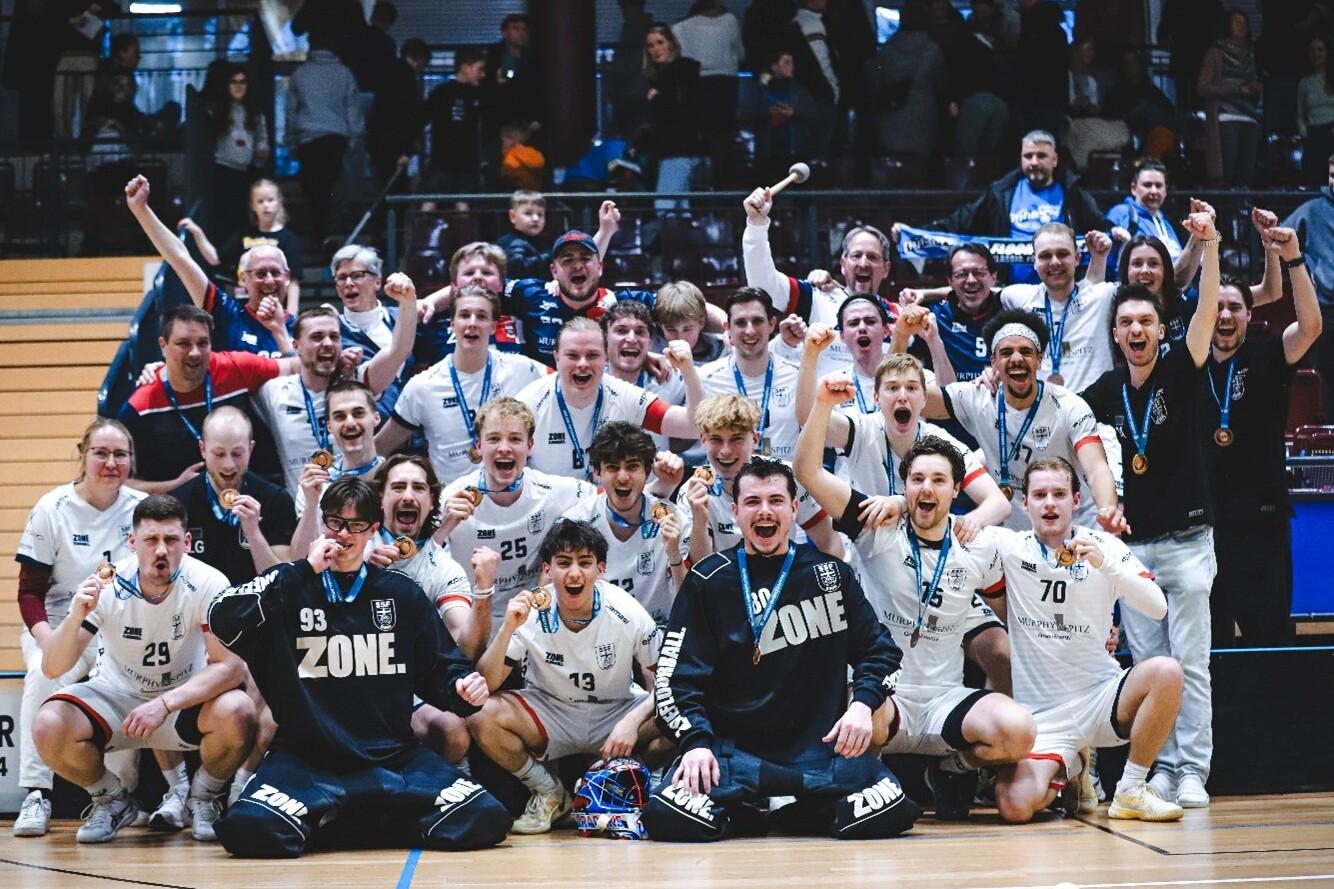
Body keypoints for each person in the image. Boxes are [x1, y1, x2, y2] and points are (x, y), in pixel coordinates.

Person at [207, 478, 512, 856]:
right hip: (307, 760)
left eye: (355, 525)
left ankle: (343, 821)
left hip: (394, 760)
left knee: (486, 817)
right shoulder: (292, 586)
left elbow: (442, 669)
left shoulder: (401, 593)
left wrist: (463, 691)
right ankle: (371, 820)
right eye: (335, 522)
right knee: (248, 829)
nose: (343, 534)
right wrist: (302, 569)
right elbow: (222, 618)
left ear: (372, 530)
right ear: (322, 524)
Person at [644, 460, 920, 841]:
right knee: (667, 815)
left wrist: (862, 704)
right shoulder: (708, 579)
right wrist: (695, 743)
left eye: (776, 500)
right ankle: (748, 815)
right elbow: (675, 680)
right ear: (736, 511)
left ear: (793, 509)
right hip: (732, 756)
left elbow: (882, 652)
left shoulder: (832, 575)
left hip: (820, 755)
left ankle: (798, 813)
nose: (765, 511)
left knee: (890, 810)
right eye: (753, 502)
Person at [793, 394, 1037, 821]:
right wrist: (823, 404)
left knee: (1019, 731)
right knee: (856, 722)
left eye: (939, 480)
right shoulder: (876, 527)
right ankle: (877, 785)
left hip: (945, 700)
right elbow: (807, 472)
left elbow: (1010, 608)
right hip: (885, 698)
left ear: (957, 489)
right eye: (917, 479)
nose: (927, 488)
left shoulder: (977, 547)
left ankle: (952, 770)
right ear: (903, 486)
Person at [1077, 208, 1221, 808]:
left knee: (1190, 662)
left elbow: (1208, 311)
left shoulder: (1181, 370)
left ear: (1162, 329)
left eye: (1146, 321)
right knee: (1148, 664)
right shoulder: (1105, 393)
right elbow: (1059, 414)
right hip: (1132, 550)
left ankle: (1193, 770)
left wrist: (1208, 246)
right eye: (1126, 322)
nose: (1136, 330)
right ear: (1115, 333)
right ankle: (1157, 768)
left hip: (1187, 543)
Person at [33, 494, 256, 844]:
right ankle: (111, 799)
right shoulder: (107, 584)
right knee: (48, 724)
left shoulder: (210, 583)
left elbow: (230, 668)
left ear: (187, 543)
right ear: (133, 543)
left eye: (170, 540)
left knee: (240, 711)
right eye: (151, 540)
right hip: (118, 701)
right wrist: (76, 613)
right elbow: (53, 667)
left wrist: (165, 703)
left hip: (181, 702)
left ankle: (203, 799)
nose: (161, 550)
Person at [989, 459, 1185, 823]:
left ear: (1076, 500)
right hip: (1042, 716)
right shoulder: (1008, 547)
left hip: (1100, 697)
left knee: (1168, 671)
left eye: (1059, 494)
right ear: (1024, 504)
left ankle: (1130, 789)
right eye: (1040, 495)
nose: (1050, 503)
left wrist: (1106, 566)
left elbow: (1158, 607)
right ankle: (1074, 767)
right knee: (1014, 806)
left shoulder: (1103, 544)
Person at [469, 519, 665, 834]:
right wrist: (507, 628)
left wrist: (631, 722)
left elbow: (667, 684)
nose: (574, 573)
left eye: (584, 563)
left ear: (600, 569)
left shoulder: (628, 611)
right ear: (548, 569)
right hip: (552, 712)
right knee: (480, 713)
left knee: (679, 712)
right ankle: (548, 791)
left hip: (614, 712)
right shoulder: (531, 612)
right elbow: (484, 685)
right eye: (563, 563)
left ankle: (641, 786)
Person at [13, 420, 145, 838]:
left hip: (118, 629)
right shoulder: (52, 508)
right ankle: (36, 794)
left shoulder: (143, 509)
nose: (110, 463)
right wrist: (47, 640)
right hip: (61, 626)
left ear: (131, 460)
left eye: (120, 454)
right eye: (101, 453)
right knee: (41, 674)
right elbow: (28, 592)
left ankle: (122, 796)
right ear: (83, 455)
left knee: (130, 685)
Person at [907, 306, 1124, 532]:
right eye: (1007, 352)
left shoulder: (1069, 406)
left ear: (1039, 360)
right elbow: (912, 399)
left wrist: (1108, 510)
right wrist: (904, 335)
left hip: (1075, 528)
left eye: (1026, 352)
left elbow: (1096, 467)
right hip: (1017, 537)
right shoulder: (979, 398)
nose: (1017, 358)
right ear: (994, 362)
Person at [1206, 229, 1320, 647]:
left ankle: (1274, 714)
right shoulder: (1188, 363)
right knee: (1209, 643)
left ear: (1249, 315)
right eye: (1216, 306)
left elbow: (1310, 327)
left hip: (1262, 520)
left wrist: (1292, 258)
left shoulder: (1269, 353)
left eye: (1235, 307)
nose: (1224, 315)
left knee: (1268, 637)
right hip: (1205, 525)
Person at [793, 342, 1009, 530]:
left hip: (926, 556)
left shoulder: (943, 444)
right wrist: (811, 356)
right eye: (893, 388)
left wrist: (970, 522)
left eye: (912, 388)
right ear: (876, 397)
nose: (903, 396)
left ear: (924, 399)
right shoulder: (860, 428)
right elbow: (807, 418)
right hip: (870, 551)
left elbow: (999, 503)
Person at [436, 397, 597, 618]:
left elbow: (610, 498)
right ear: (479, 445)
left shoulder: (552, 491)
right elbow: (419, 562)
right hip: (469, 618)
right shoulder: (451, 498)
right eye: (493, 439)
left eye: (514, 439)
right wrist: (443, 526)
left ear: (529, 445)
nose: (504, 448)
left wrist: (660, 482)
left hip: (530, 621)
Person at [378, 286, 547, 485]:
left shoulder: (524, 369)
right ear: (452, 324)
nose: (472, 323)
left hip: (512, 503)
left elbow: (570, 379)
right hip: (452, 506)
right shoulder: (423, 386)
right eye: (465, 315)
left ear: (494, 326)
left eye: (482, 316)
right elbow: (381, 446)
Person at [119, 304, 293, 494]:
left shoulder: (235, 368)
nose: (195, 353)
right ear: (163, 346)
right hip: (179, 512)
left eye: (203, 343)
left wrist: (280, 331)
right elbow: (120, 483)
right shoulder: (141, 407)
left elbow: (297, 366)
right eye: (184, 343)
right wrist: (174, 486)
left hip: (251, 500)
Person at [256, 295, 417, 498]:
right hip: (304, 513)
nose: (328, 343)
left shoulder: (355, 382)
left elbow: (398, 351)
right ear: (296, 346)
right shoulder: (273, 392)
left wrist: (408, 301)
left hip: (361, 509)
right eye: (317, 337)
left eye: (334, 337)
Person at [901, 131, 1107, 283]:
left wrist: (1113, 231)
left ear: (1054, 160)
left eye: (1041, 156)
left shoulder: (1073, 194)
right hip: (1010, 290)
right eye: (1028, 156)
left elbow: (1100, 227)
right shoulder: (1001, 193)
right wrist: (917, 234)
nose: (1034, 162)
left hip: (1061, 288)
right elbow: (962, 221)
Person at [127, 174, 295, 359]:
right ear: (243, 279)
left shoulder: (303, 329)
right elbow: (181, 260)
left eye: (275, 272)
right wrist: (141, 209)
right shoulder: (228, 316)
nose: (270, 280)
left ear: (287, 278)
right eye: (261, 274)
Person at [514, 319, 703, 480]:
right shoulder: (528, 404)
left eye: (592, 355)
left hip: (607, 515)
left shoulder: (624, 396)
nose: (582, 364)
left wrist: (688, 370)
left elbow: (693, 427)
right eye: (572, 355)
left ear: (605, 358)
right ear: (556, 358)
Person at [742, 185, 897, 378]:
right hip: (823, 407)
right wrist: (757, 226)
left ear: (886, 269)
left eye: (873, 257)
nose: (863, 263)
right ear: (842, 264)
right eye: (856, 256)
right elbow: (764, 285)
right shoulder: (815, 297)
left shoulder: (898, 315)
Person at [680, 394, 843, 562]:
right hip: (726, 586)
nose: (726, 451)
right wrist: (699, 521)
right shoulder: (691, 492)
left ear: (755, 439)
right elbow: (699, 570)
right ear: (703, 440)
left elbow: (829, 542)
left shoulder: (787, 476)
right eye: (716, 439)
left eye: (736, 439)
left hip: (786, 581)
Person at [565, 423, 692, 625]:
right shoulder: (576, 523)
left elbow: (692, 600)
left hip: (660, 632)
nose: (623, 477)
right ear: (598, 472)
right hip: (599, 634)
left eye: (632, 466)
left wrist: (675, 556)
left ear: (648, 471)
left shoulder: (674, 519)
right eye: (613, 467)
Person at [170, 407, 294, 584]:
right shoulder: (177, 504)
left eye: (237, 454)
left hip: (257, 608)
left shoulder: (276, 500)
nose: (229, 464)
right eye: (219, 454)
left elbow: (281, 583)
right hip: (198, 607)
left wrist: (253, 533)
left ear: (251, 449)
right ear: (203, 449)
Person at [1000, 222, 1116, 393]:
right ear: (1034, 261)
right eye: (1045, 256)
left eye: (1062, 254)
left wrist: (1102, 256)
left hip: (1093, 411)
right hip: (1040, 413)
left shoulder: (1103, 295)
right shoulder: (1015, 297)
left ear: (1077, 258)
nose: (1054, 262)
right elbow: (965, 295)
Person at [696, 288, 803, 460]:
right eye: (740, 323)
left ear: (771, 325)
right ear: (727, 328)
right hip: (730, 483)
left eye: (757, 321)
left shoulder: (797, 376)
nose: (750, 331)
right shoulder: (705, 379)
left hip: (786, 482)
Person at [180, 179, 304, 318]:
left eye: (270, 200)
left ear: (279, 202)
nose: (266, 205)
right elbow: (214, 258)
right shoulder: (244, 235)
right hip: (243, 307)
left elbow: (292, 281)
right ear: (252, 206)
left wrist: (292, 314)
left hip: (274, 308)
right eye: (260, 201)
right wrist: (197, 232)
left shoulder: (288, 239)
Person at [287, 32, 363, 243]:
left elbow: (291, 111)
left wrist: (291, 141)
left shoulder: (299, 74)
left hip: (308, 139)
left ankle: (316, 231)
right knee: (334, 187)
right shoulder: (344, 73)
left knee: (313, 189)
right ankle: (330, 230)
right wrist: (353, 138)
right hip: (336, 138)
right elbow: (352, 107)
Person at [328, 245, 419, 419]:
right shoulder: (333, 331)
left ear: (377, 281)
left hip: (416, 429)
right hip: (370, 429)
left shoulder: (402, 315)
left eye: (357, 275)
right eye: (341, 278)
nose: (348, 283)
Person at [900, 243, 1005, 383]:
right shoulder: (932, 317)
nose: (971, 280)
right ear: (950, 281)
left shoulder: (1010, 312)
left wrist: (925, 293)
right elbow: (897, 364)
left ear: (993, 277)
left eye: (979, 273)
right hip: (946, 401)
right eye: (961, 274)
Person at [1283, 157, 1334, 420]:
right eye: (1332, 175)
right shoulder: (1312, 210)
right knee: (1323, 375)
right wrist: (1306, 268)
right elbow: (1279, 238)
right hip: (1324, 307)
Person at [603, 300, 688, 453]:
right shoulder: (592, 380)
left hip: (656, 476)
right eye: (621, 331)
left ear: (650, 343)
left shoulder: (670, 378)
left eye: (640, 332)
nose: (631, 339)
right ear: (605, 340)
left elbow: (699, 422)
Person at [639, 23, 704, 210]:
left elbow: (685, 111)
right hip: (668, 151)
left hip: (679, 148)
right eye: (650, 45)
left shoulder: (682, 72)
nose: (656, 49)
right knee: (678, 209)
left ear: (671, 44)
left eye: (660, 42)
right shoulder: (657, 78)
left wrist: (657, 99)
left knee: (664, 206)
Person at [1197, 9, 1262, 188]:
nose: (1241, 26)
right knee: (1227, 170)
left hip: (1249, 116)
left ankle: (1243, 209)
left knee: (1246, 172)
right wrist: (1236, 89)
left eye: (1244, 23)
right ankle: (1226, 210)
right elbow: (1202, 87)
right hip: (1226, 116)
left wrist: (1256, 88)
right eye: (1237, 22)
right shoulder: (1216, 52)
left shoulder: (1251, 53)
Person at [205, 62, 270, 242]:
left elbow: (262, 140)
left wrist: (261, 153)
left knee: (243, 217)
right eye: (234, 82)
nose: (238, 86)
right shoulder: (217, 111)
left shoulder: (255, 112)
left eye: (243, 82)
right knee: (225, 216)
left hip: (247, 170)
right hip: (223, 168)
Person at [423, 46, 489, 195]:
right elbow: (422, 118)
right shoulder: (441, 93)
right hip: (442, 160)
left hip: (467, 162)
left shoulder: (480, 95)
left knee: (462, 203)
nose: (482, 74)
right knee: (431, 201)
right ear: (466, 67)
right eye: (480, 69)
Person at [367, 37, 429, 187]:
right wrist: (406, 147)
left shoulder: (387, 72)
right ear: (418, 59)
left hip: (379, 139)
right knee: (396, 186)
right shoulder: (406, 78)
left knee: (384, 183)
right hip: (395, 142)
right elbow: (406, 114)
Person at [1107, 161, 1185, 274]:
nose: (1154, 191)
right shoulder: (1121, 213)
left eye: (1158, 186)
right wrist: (1112, 234)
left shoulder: (1167, 224)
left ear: (1165, 190)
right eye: (1147, 185)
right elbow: (1100, 247)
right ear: (1133, 188)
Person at [653, 279, 728, 365]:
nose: (680, 338)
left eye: (687, 329)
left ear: (701, 323)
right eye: (671, 329)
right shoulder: (650, 350)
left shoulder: (726, 351)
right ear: (660, 325)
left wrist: (724, 321)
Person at [1298, 36, 1334, 187]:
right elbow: (1299, 114)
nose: (1316, 54)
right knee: (1313, 176)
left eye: (1320, 50)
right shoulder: (1304, 82)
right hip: (1313, 133)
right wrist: (1304, 131)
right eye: (1312, 50)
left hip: (1332, 131)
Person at [495, 190, 549, 281]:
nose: (536, 219)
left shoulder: (545, 242)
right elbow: (518, 269)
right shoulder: (508, 242)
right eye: (528, 213)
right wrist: (549, 259)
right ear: (513, 216)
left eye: (540, 214)